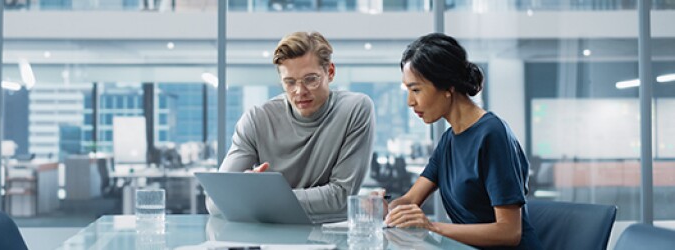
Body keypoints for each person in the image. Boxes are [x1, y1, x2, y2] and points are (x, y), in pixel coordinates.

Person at [382, 33, 542, 249]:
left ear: (448, 87)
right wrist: (386, 207)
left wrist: (432, 226)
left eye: (416, 89)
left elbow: (509, 232)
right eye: (408, 90)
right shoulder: (449, 140)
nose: (410, 102)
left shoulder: (492, 134)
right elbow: (411, 200)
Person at [206, 31, 376, 219]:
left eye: (311, 79)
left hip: (329, 237)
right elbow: (215, 201)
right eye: (290, 82)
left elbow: (340, 197)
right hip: (269, 240)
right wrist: (253, 193)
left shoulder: (355, 109)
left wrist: (257, 198)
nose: (300, 91)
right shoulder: (257, 119)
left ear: (330, 72)